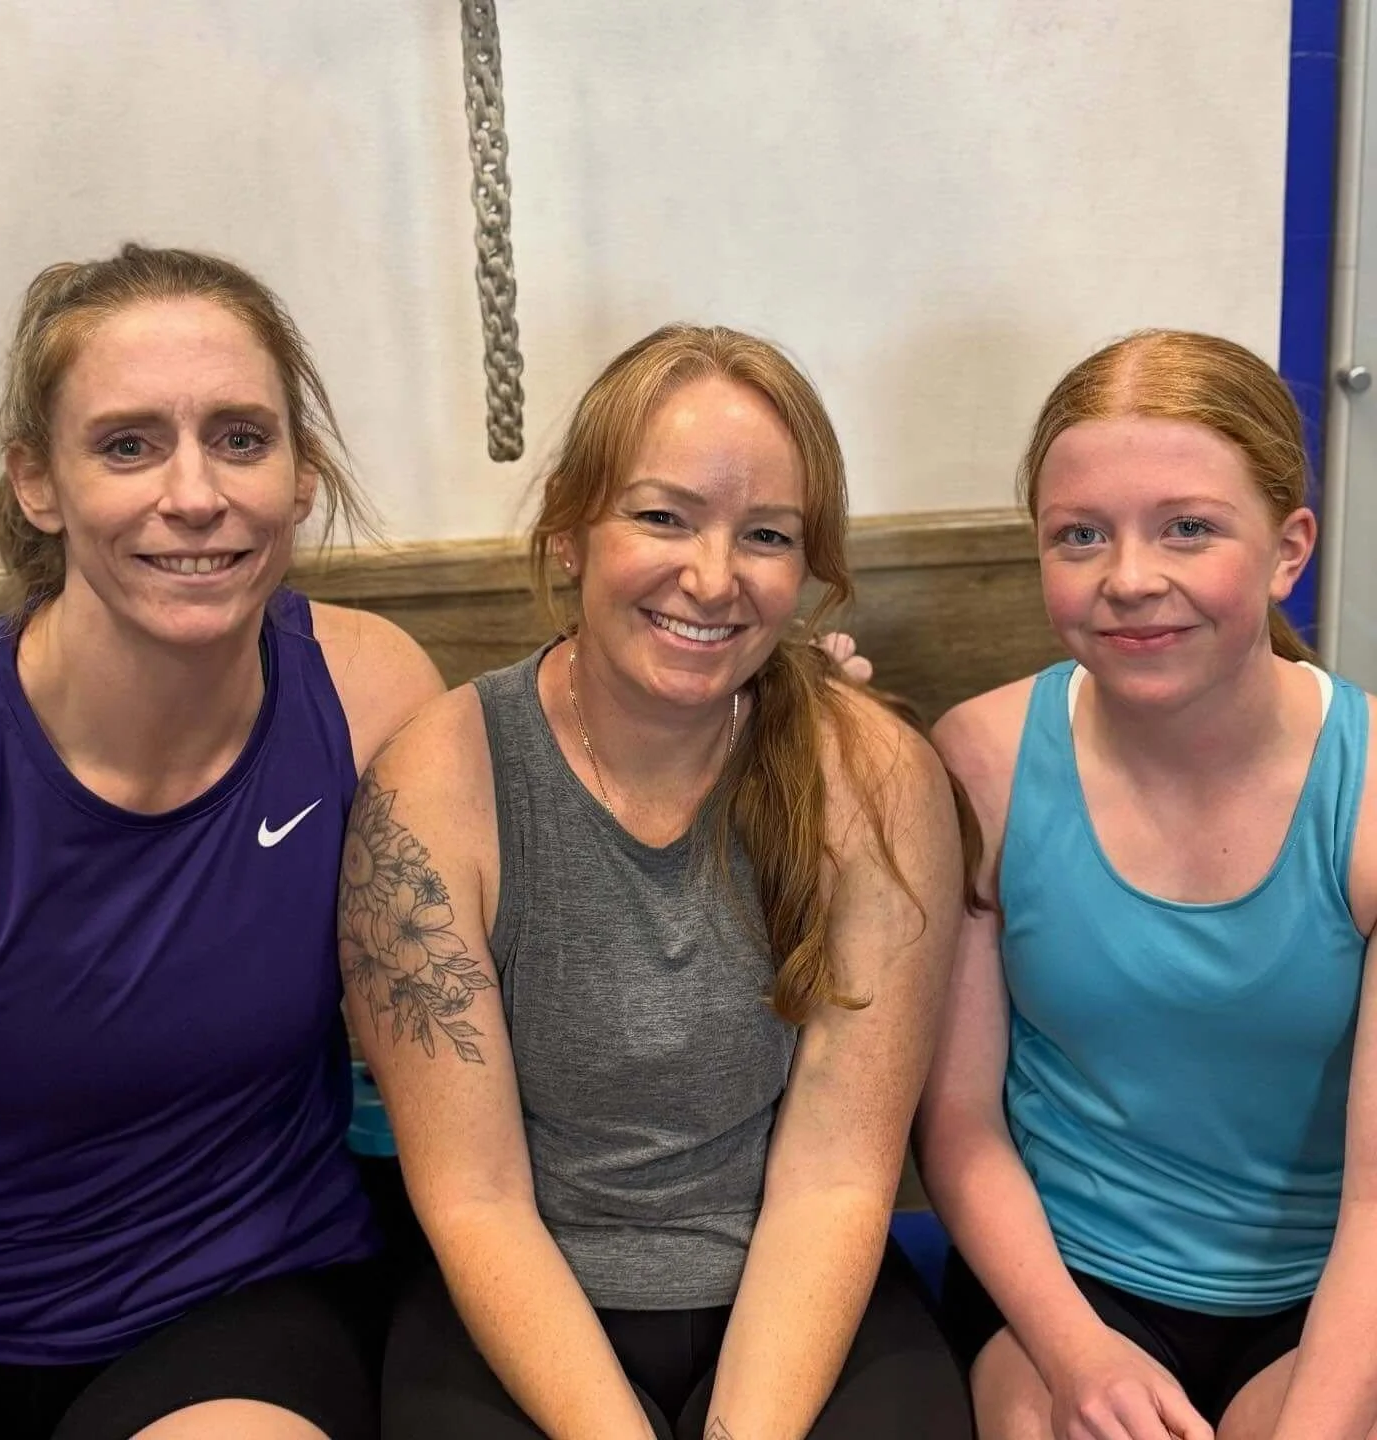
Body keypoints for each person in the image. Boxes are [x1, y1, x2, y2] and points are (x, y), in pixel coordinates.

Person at [343, 323, 974, 1439]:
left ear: (808, 571)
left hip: (800, 1296)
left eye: (766, 534)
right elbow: (473, 1198)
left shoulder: (872, 775)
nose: (714, 576)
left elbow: (835, 1176)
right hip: (523, 1305)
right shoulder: (438, 782)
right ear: (572, 531)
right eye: (662, 516)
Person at [0, 244, 445, 1440]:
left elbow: (528, 918)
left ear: (301, 472)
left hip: (240, 1308)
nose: (194, 493)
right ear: (37, 483)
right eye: (127, 444)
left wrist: (759, 722)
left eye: (238, 436)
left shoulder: (370, 694)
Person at [915, 330, 1377, 1440]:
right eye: (1080, 535)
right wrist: (1078, 1356)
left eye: (1188, 528)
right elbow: (963, 1123)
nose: (1129, 578)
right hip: (1063, 1284)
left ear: (1287, 549)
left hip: (1323, 1298)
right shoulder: (983, 758)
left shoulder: (1365, 800)